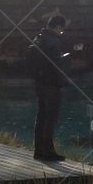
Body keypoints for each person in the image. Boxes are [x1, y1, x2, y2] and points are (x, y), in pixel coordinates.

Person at [28, 14, 69, 160]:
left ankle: (38, 150)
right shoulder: (54, 41)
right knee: (50, 118)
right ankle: (48, 151)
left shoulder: (38, 38)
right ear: (57, 27)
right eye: (62, 29)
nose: (61, 32)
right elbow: (55, 65)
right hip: (52, 84)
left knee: (41, 117)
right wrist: (63, 80)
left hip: (39, 83)